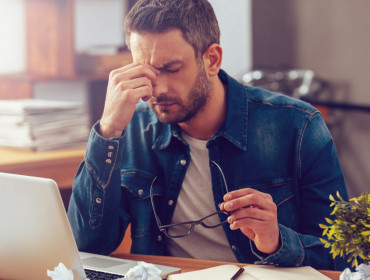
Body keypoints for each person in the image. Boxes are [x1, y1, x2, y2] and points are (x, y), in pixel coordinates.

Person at [67, 0, 348, 270]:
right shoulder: (130, 128)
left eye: (171, 68)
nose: (157, 88)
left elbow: (345, 257)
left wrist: (276, 241)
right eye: (146, 71)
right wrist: (108, 130)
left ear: (212, 60)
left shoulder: (299, 126)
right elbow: (88, 247)